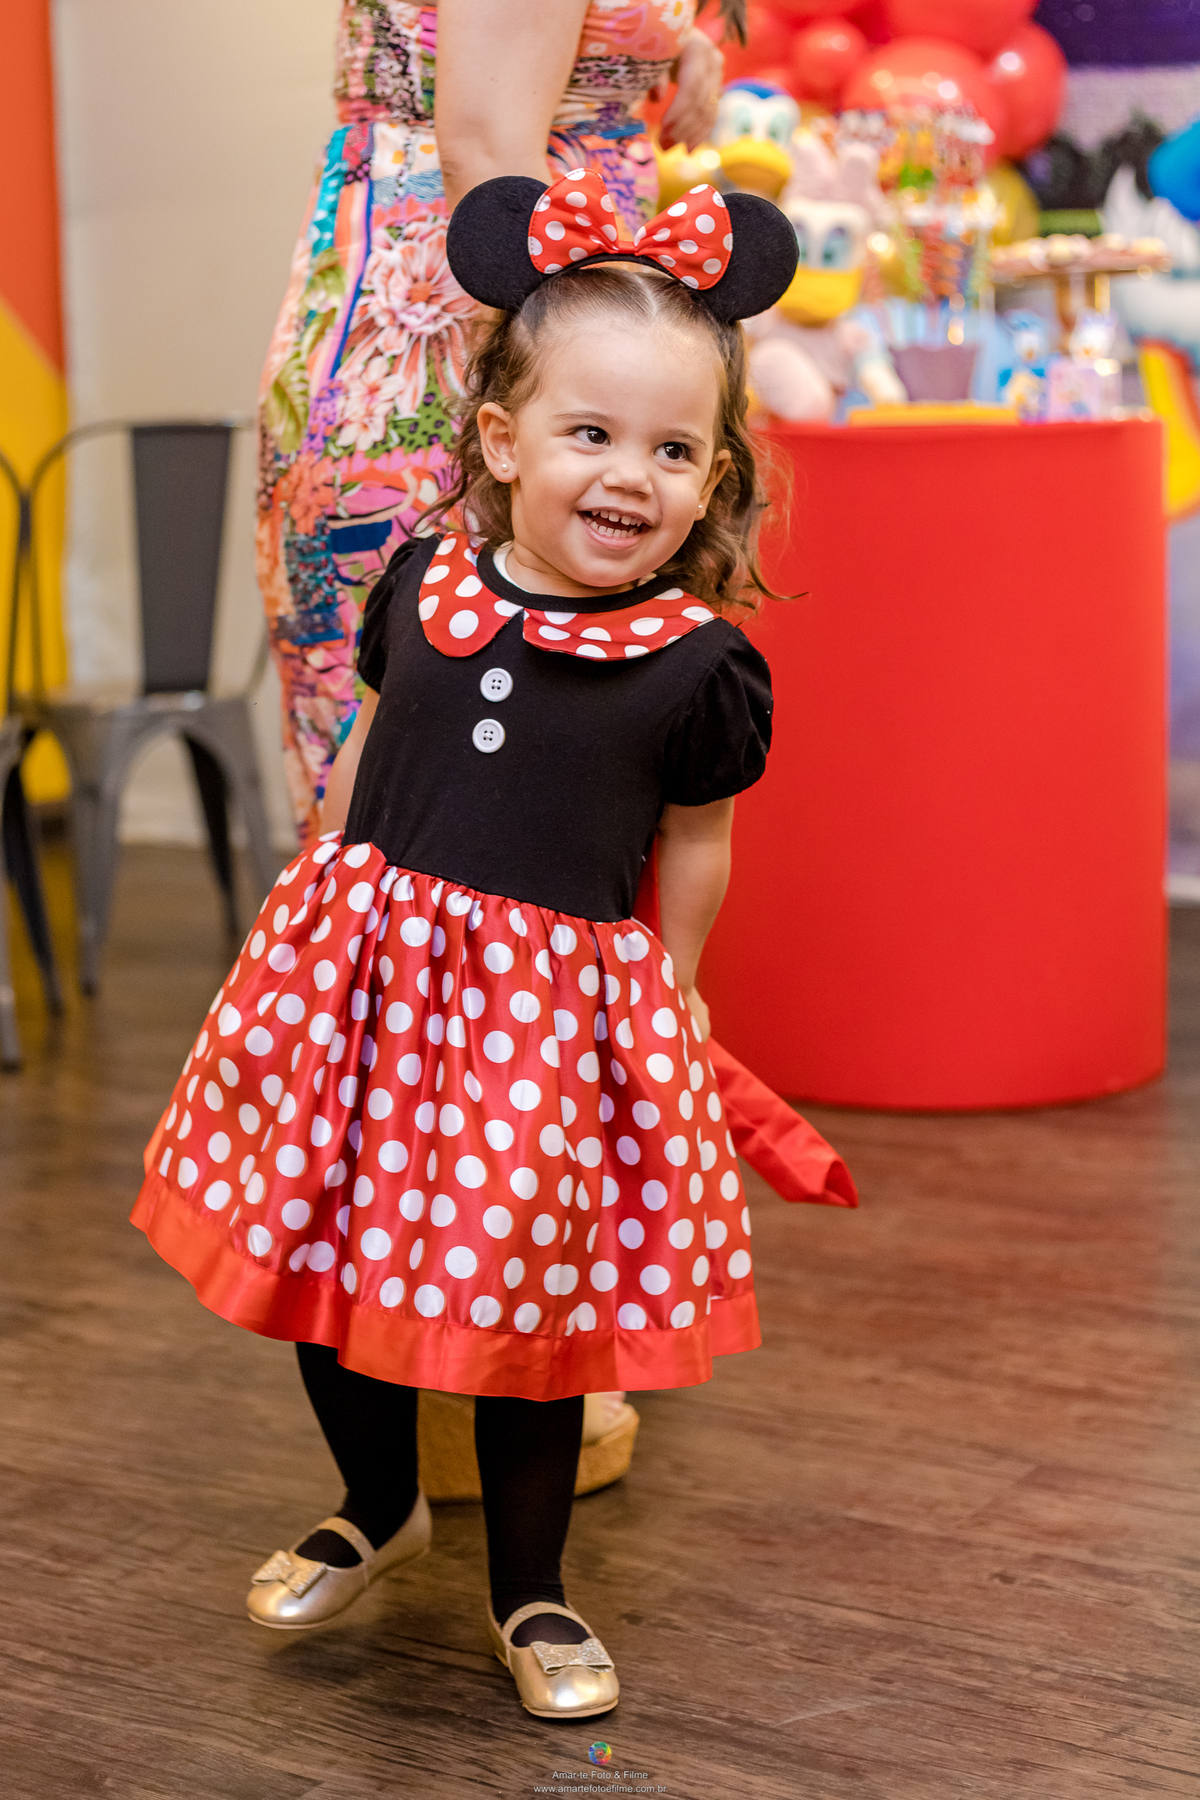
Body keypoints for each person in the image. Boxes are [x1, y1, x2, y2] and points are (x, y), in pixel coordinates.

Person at [134, 168, 798, 1719]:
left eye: (673, 450)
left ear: (713, 478)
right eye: (591, 433)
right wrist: (317, 895)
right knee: (327, 1254)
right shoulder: (425, 581)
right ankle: (374, 1504)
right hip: (367, 979)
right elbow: (374, 745)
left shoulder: (694, 664)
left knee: (529, 1314)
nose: (629, 474)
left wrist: (678, 985)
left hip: (545, 1022)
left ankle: (532, 1589)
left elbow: (699, 838)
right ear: (502, 442)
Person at [258, 0, 729, 846]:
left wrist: (661, 42)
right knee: (422, 794)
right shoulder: (529, 403)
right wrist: (567, 384)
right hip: (469, 351)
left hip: (542, 366)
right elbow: (486, 149)